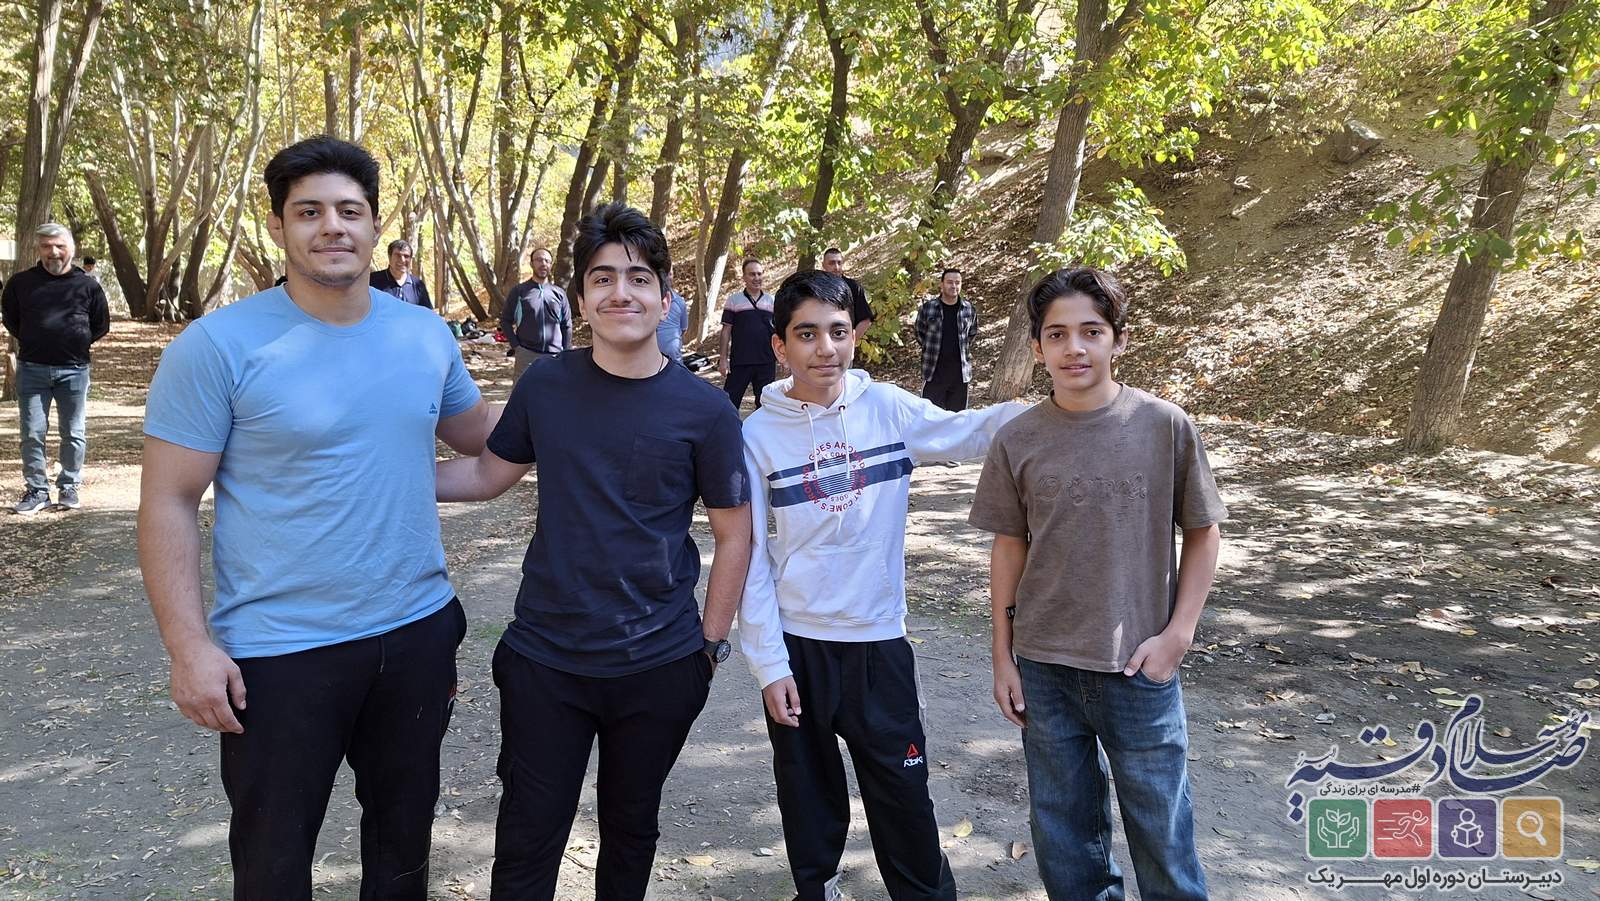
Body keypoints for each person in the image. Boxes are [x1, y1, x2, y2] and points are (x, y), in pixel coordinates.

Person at [138, 135, 498, 901]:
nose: (332, 226)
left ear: (374, 225)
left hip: (415, 634)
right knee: (272, 866)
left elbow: (481, 446)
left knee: (403, 850)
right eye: (309, 212)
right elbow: (170, 499)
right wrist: (188, 646)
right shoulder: (217, 346)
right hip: (279, 652)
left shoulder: (424, 334)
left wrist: (580, 393)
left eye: (349, 210)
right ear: (278, 227)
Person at [434, 202, 753, 901]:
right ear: (580, 298)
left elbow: (735, 533)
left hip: (660, 663)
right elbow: (487, 475)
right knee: (527, 838)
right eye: (602, 278)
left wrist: (709, 648)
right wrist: (388, 478)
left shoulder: (706, 411)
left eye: (638, 279)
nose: (620, 293)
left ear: (664, 298)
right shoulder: (546, 385)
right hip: (546, 660)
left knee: (631, 833)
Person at [739, 269, 1025, 901]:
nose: (825, 348)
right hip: (799, 646)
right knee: (808, 796)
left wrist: (1055, 406)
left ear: (854, 336)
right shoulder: (756, 437)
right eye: (806, 334)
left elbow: (970, 432)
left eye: (838, 332)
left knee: (903, 795)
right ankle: (817, 889)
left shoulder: (888, 408)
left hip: (878, 644)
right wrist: (768, 664)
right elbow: (752, 557)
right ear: (780, 346)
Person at [967, 267, 1225, 900]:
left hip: (1139, 666)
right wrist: (1003, 655)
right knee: (1065, 835)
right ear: (1037, 348)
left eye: (1091, 331)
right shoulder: (1017, 439)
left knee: (1163, 835)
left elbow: (1203, 530)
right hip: (1044, 668)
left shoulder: (1163, 426)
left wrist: (1178, 635)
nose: (1074, 348)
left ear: (1118, 339)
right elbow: (1009, 546)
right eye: (1057, 334)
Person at [2, 223, 110, 514]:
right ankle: (37, 491)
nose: (53, 252)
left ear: (71, 248)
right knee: (31, 433)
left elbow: (101, 324)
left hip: (74, 371)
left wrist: (75, 342)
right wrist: (37, 339)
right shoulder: (21, 283)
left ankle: (69, 486)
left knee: (73, 433)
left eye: (60, 245)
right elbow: (11, 319)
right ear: (38, 249)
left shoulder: (88, 286)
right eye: (47, 246)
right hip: (32, 369)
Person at [499, 246, 571, 379]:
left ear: (551, 265)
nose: (543, 264)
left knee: (553, 391)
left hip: (554, 356)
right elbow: (505, 320)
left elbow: (566, 325)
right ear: (531, 264)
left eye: (547, 261)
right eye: (539, 260)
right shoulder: (519, 291)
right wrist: (516, 347)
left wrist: (566, 352)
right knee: (524, 392)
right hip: (527, 354)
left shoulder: (559, 293)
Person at [913, 268, 977, 412]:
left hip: (959, 376)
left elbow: (972, 333)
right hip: (934, 373)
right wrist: (931, 349)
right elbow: (919, 332)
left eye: (957, 282)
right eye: (949, 282)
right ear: (941, 284)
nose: (954, 286)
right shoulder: (928, 308)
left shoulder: (968, 309)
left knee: (957, 418)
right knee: (929, 416)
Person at [718, 258, 775, 409]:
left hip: (766, 362)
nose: (756, 278)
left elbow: (779, 332)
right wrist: (723, 359)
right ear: (744, 277)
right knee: (729, 403)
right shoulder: (734, 300)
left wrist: (784, 357)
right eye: (752, 274)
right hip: (740, 361)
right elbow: (726, 331)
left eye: (759, 274)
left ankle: (761, 426)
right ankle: (728, 426)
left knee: (766, 405)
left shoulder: (772, 301)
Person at [820, 247, 874, 341]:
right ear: (823, 265)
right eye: (832, 263)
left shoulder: (853, 287)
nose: (836, 267)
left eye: (839, 263)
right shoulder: (816, 288)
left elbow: (865, 320)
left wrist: (850, 343)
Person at [370, 239, 433, 308]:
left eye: (406, 256)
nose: (402, 260)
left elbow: (427, 312)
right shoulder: (373, 281)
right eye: (398, 255)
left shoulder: (417, 285)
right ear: (389, 257)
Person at [655, 264, 690, 363]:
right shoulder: (647, 300)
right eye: (665, 274)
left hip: (674, 359)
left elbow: (683, 329)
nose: (668, 277)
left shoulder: (679, 302)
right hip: (649, 359)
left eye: (670, 274)